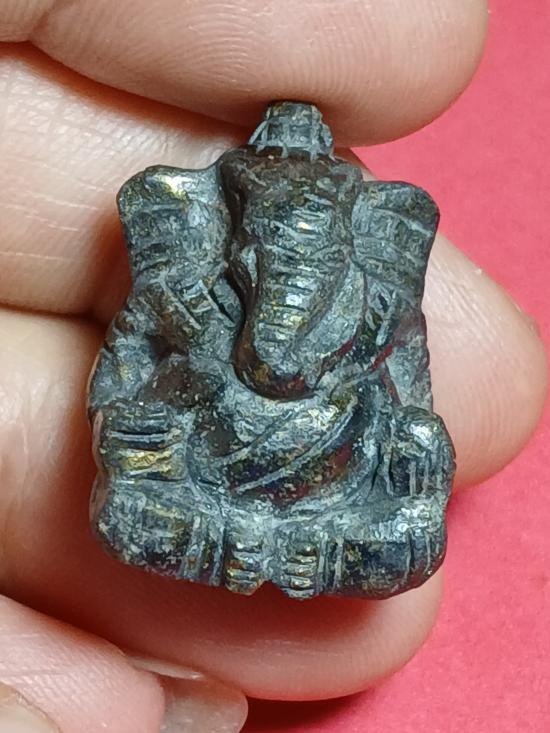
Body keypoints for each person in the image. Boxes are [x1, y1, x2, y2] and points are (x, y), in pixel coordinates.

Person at [0, 1, 546, 731]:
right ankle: (255, 543)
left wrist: (421, 453)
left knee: (408, 543)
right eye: (264, 246)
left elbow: (412, 410)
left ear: (354, 245)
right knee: (130, 516)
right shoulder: (178, 294)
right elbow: (120, 381)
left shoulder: (383, 311)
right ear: (237, 244)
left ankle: (298, 548)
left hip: (336, 480)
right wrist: (128, 425)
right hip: (205, 474)